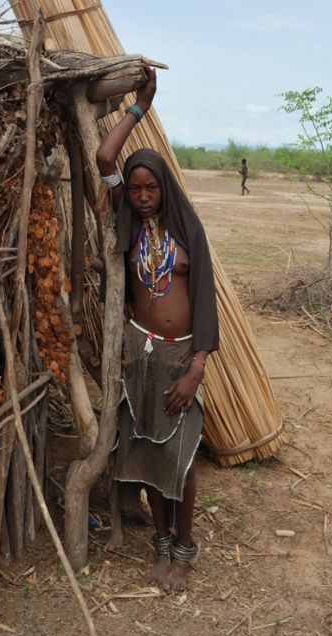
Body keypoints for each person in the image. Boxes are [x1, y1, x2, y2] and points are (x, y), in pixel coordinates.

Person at [96, 67, 219, 592]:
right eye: (137, 187)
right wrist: (138, 107)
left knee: (182, 456)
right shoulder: (126, 217)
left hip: (179, 356)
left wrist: (197, 367)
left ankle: (184, 550)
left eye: (151, 187)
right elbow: (105, 158)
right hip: (139, 352)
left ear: (164, 188)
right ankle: (162, 543)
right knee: (147, 450)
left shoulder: (187, 234)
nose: (143, 195)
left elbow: (206, 300)